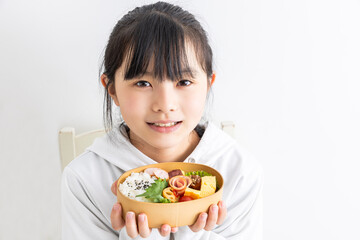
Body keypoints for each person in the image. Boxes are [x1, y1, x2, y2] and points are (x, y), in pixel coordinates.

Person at [61, 2, 263, 239]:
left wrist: (195, 230)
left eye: (184, 82)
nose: (165, 104)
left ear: (208, 85)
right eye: (143, 83)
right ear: (112, 89)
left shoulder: (239, 172)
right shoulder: (84, 179)